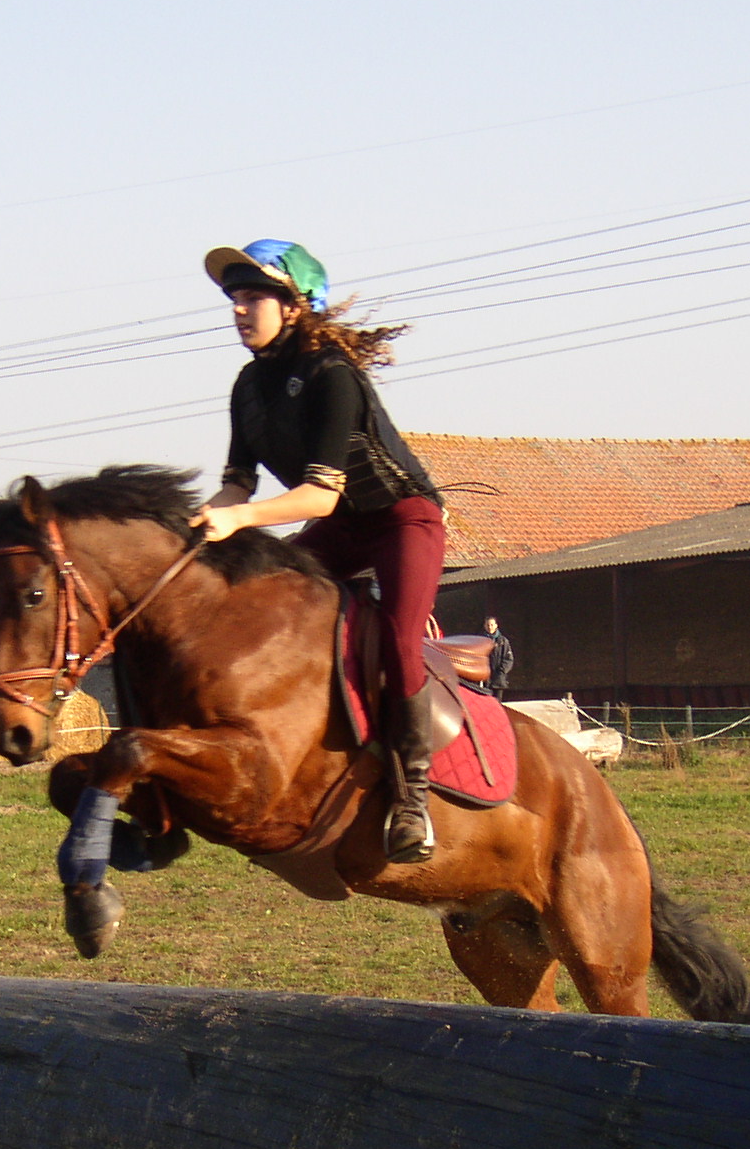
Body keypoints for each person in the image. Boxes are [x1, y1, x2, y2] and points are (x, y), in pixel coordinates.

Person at [191, 239, 448, 863]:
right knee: (254, 602)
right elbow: (237, 484)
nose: (238, 309)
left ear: (295, 305)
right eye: (234, 298)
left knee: (398, 642)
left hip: (401, 519)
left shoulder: (333, 374)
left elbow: (320, 496)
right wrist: (197, 522)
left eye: (253, 297)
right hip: (342, 528)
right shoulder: (248, 385)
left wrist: (239, 519)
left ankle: (412, 800)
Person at [484, 616, 514, 699]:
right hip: (485, 679)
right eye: (488, 625)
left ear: (496, 625)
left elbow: (508, 659)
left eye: (492, 625)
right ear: (484, 626)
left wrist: (501, 672)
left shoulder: (503, 641)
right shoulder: (480, 640)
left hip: (498, 679)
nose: (490, 627)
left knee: (497, 703)